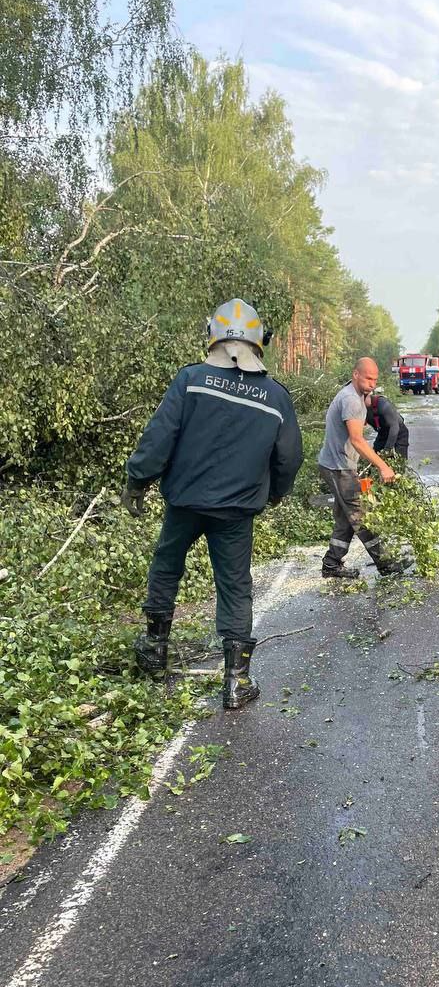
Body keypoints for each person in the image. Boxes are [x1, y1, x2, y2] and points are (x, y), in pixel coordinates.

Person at [122, 298, 304, 711]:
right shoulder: (276, 397)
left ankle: (154, 651)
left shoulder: (192, 380)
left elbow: (159, 437)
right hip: (236, 511)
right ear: (260, 342)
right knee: (235, 586)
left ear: (214, 336)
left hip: (184, 501)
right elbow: (289, 457)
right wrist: (275, 492)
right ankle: (237, 682)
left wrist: (137, 482)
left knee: (167, 566)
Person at [318, 358, 407, 579]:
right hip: (339, 468)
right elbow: (357, 440)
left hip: (336, 465)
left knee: (346, 519)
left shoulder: (353, 395)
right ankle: (386, 564)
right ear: (355, 374)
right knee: (361, 515)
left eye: (375, 380)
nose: (372, 384)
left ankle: (331, 564)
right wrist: (383, 466)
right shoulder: (351, 400)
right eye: (368, 378)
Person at [365, 387, 409, 460]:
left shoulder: (382, 404)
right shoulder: (359, 409)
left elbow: (394, 427)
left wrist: (387, 450)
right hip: (383, 433)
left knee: (399, 460)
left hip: (398, 432)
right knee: (377, 457)